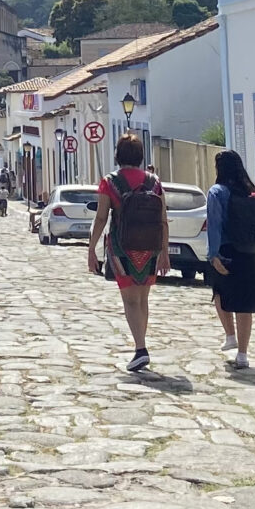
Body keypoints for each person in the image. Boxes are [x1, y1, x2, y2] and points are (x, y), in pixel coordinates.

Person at [87, 134, 168, 373]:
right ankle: (140, 346)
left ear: (117, 154)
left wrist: (92, 249)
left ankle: (140, 348)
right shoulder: (154, 181)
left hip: (122, 248)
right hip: (151, 247)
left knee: (130, 300)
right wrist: (164, 251)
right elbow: (162, 218)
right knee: (142, 299)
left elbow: (101, 217)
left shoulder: (110, 182)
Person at [204, 149, 255, 370]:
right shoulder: (251, 190)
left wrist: (213, 255)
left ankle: (229, 334)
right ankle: (243, 354)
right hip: (251, 253)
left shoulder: (217, 192)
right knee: (245, 304)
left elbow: (214, 226)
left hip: (226, 250)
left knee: (219, 294)